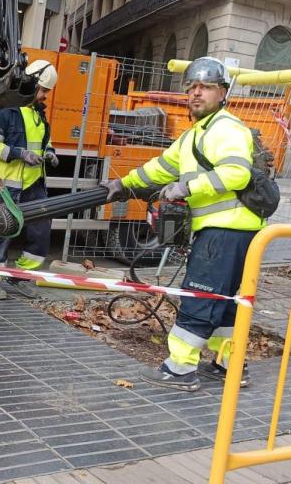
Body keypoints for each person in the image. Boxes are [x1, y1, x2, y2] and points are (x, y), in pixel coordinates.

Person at [101, 56, 265, 391]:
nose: (196, 94)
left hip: (225, 230)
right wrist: (123, 185)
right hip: (233, 232)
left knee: (199, 296)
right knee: (225, 301)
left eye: (205, 87)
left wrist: (187, 187)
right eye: (191, 87)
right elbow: (160, 167)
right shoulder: (196, 135)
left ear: (223, 92)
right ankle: (229, 364)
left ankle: (179, 368)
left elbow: (237, 173)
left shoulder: (227, 129)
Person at [0, 59, 60, 300]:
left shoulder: (40, 118)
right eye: (44, 90)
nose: (45, 95)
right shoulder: (8, 113)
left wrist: (50, 153)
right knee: (2, 233)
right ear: (32, 82)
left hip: (34, 186)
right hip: (8, 186)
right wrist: (19, 154)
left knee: (40, 234)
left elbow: (46, 143)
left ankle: (21, 276)